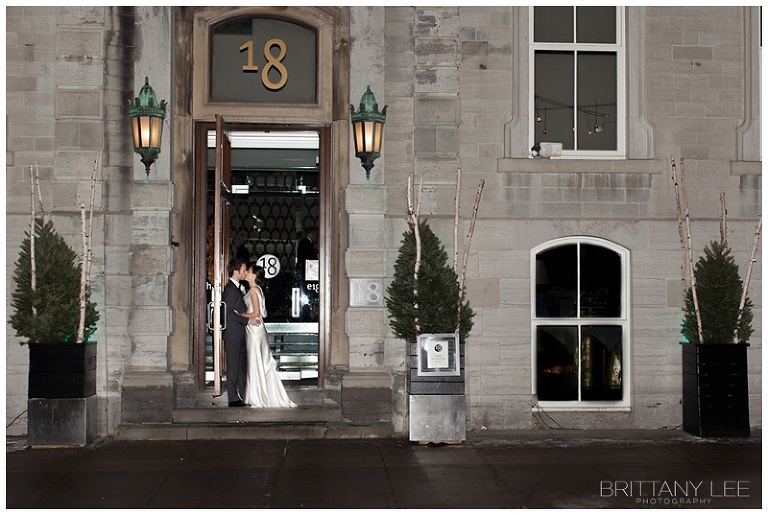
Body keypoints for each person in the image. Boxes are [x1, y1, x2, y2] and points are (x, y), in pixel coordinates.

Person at [236, 264, 297, 408]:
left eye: (248, 272)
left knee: (256, 362)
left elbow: (256, 313)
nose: (246, 274)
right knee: (260, 362)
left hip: (254, 330)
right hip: (257, 329)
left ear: (254, 276)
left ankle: (257, 397)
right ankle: (261, 395)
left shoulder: (253, 291)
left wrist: (239, 315)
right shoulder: (258, 290)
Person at [222, 258, 256, 407]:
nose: (244, 272)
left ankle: (242, 395)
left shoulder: (235, 288)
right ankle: (233, 398)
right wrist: (248, 320)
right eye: (243, 270)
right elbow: (228, 313)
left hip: (238, 333)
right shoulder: (230, 290)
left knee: (241, 366)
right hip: (233, 334)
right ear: (236, 272)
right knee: (234, 366)